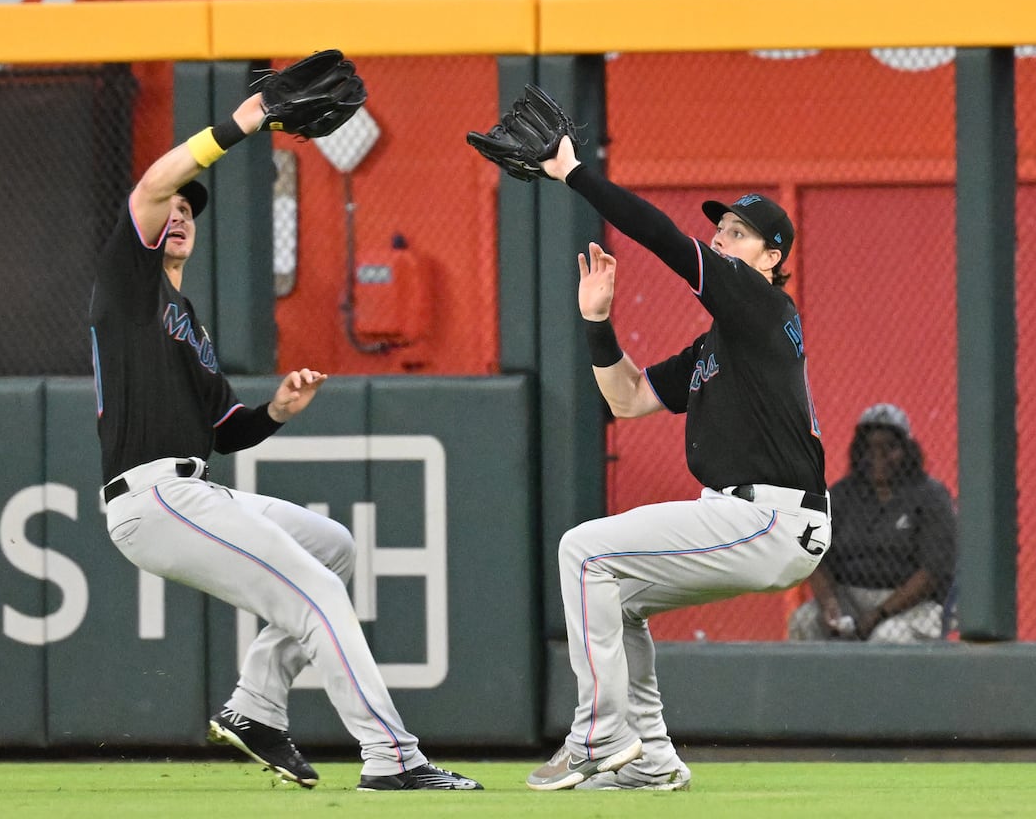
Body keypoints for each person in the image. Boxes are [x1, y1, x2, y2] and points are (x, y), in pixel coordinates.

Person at [88, 85, 480, 792]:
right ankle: (392, 759)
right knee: (318, 595)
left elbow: (224, 432)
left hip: (192, 485)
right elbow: (154, 181)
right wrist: (242, 123)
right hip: (154, 495)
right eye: (172, 208)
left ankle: (256, 707)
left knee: (334, 550)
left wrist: (277, 411)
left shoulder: (186, 316)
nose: (178, 213)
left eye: (189, 211)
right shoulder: (127, 285)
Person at [527, 139, 831, 792]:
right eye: (718, 229)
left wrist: (573, 172)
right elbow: (627, 400)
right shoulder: (722, 339)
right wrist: (597, 323)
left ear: (771, 258)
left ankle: (597, 736)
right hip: (752, 514)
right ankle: (650, 759)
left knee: (583, 552)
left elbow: (662, 238)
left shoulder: (760, 304)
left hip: (767, 515)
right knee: (616, 596)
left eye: (739, 233)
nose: (720, 240)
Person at [788, 403, 956, 643]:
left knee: (887, 637)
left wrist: (879, 615)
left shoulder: (930, 496)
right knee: (803, 621)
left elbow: (931, 573)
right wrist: (829, 603)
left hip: (913, 605)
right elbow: (814, 555)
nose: (879, 455)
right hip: (849, 596)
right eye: (869, 447)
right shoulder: (843, 495)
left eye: (890, 447)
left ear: (908, 450)